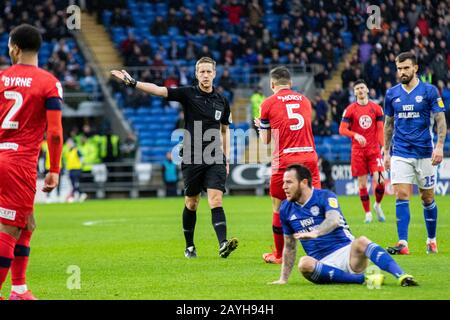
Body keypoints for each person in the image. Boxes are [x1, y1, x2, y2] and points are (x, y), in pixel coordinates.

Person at [111, 57, 238, 259]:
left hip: (215, 157)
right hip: (191, 157)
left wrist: (227, 158)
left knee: (216, 199)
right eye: (202, 72)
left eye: (208, 72)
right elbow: (160, 90)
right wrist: (133, 82)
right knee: (192, 203)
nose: (205, 75)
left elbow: (225, 130)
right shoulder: (188, 93)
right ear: (197, 74)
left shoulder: (222, 101)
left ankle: (223, 243)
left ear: (215, 74)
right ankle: (189, 246)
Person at [270, 164, 418, 287]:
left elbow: (333, 220)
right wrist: (283, 279)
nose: (284, 187)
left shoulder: (325, 196)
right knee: (304, 264)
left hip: (348, 254)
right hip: (322, 264)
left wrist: (316, 232)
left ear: (303, 182)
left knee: (361, 241)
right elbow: (289, 246)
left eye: (289, 182)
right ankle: (365, 279)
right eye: (284, 182)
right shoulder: (285, 208)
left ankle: (402, 276)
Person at [0, 24, 63, 300]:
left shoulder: (1, 78)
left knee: (26, 222)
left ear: (14, 48)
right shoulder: (48, 82)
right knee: (10, 228)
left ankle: (19, 289)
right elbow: (56, 132)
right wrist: (54, 169)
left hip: (4, 157)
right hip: (20, 163)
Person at [254, 66, 321, 264]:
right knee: (315, 205)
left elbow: (266, 140)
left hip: (285, 159)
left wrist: (260, 127)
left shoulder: (267, 103)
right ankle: (323, 252)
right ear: (291, 83)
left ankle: (278, 255)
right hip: (309, 157)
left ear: (272, 84)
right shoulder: (305, 101)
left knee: (278, 207)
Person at [383, 52, 447, 255]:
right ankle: (403, 243)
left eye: (406, 68)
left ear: (415, 68)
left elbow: (440, 120)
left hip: (425, 153)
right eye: (399, 68)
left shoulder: (429, 91)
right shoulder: (391, 94)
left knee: (427, 198)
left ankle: (431, 240)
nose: (402, 72)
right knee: (401, 195)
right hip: (400, 152)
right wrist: (386, 152)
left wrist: (439, 146)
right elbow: (388, 125)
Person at [339, 79, 386, 223]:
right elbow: (342, 129)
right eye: (357, 88)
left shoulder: (377, 108)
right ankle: (368, 213)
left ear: (367, 90)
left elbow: (379, 129)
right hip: (358, 151)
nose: (360, 90)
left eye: (362, 88)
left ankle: (377, 205)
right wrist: (355, 134)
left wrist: (383, 145)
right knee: (362, 184)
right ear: (354, 92)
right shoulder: (350, 109)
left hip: (374, 150)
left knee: (381, 181)